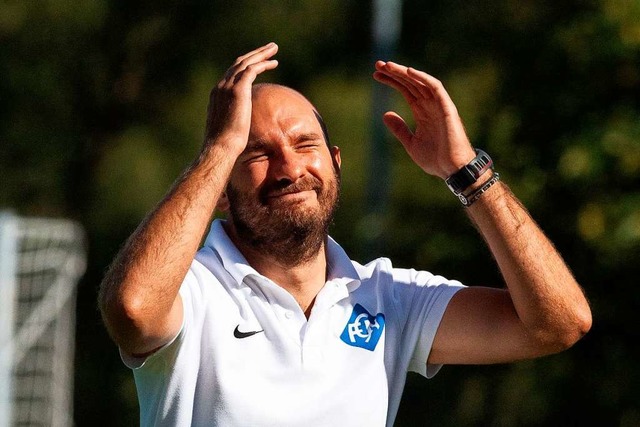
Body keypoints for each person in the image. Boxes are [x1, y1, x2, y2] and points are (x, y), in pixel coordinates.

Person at [98, 42, 592, 426]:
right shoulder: (193, 289)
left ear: (335, 164)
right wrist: (219, 147)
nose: (289, 167)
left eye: (304, 143)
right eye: (256, 153)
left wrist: (466, 172)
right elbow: (133, 310)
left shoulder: (390, 298)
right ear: (221, 188)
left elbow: (557, 323)